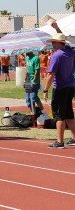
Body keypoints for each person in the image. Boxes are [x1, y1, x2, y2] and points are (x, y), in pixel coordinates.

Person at [43, 21, 75, 149]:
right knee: (68, 113)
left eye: (53, 42)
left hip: (60, 88)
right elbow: (62, 37)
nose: (51, 44)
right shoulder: (69, 51)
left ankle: (60, 141)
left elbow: (51, 75)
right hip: (70, 86)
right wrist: (57, 28)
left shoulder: (57, 56)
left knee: (59, 114)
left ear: (57, 43)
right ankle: (73, 138)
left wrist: (45, 89)